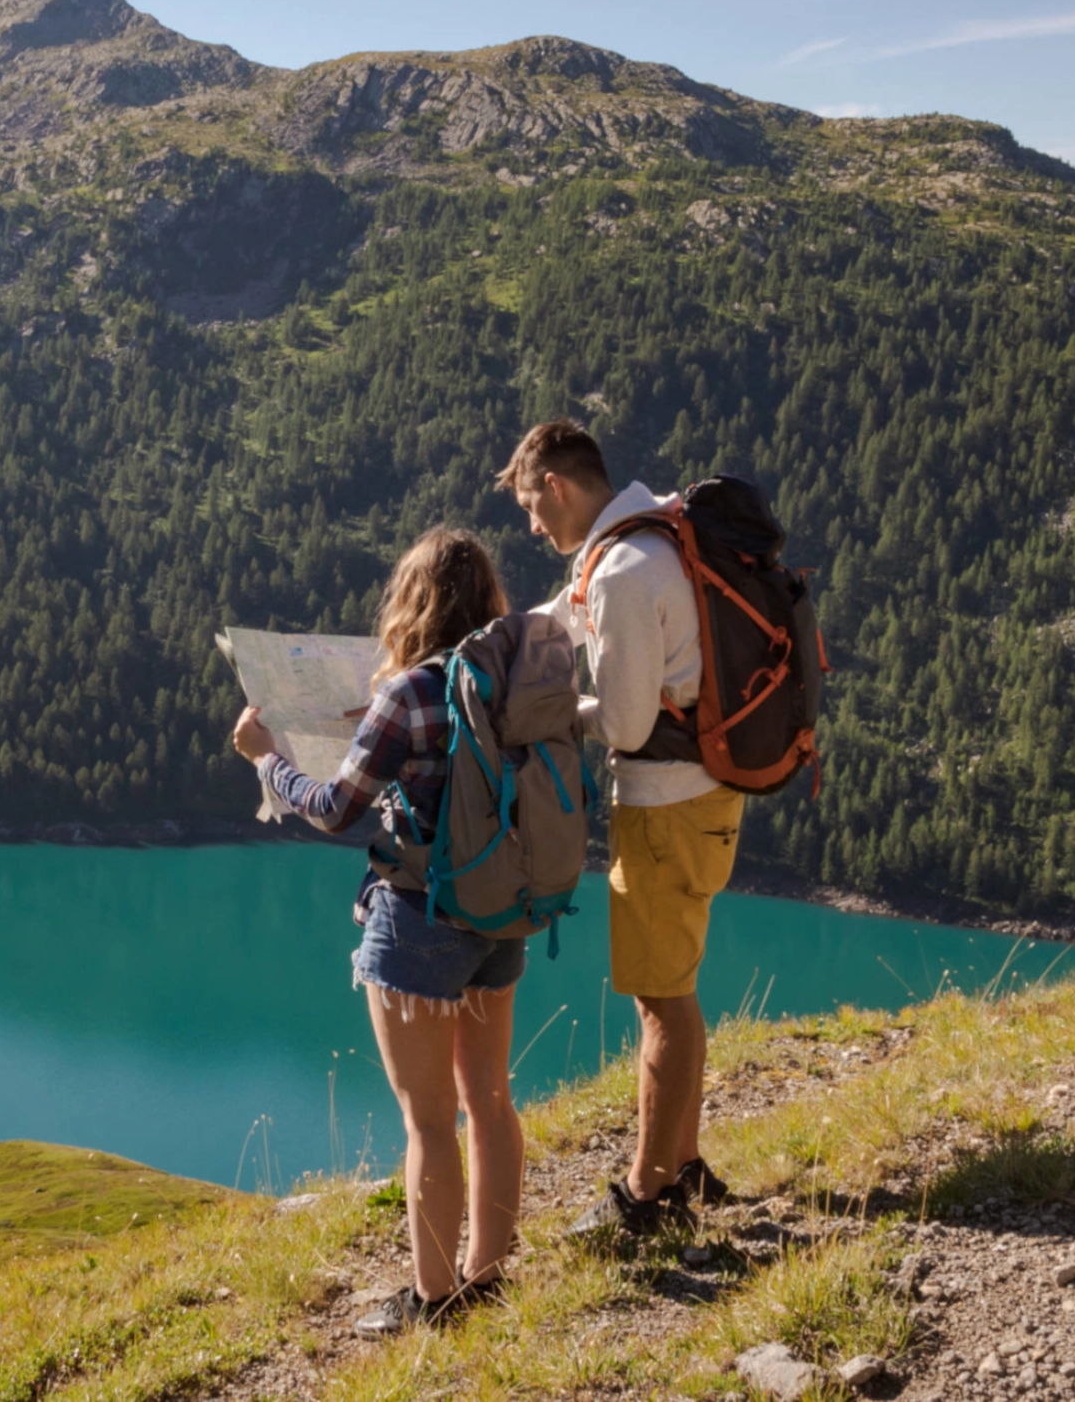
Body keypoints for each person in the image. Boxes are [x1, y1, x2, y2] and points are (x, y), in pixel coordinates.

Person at [230, 527, 523, 1337]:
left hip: (421, 915)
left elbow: (331, 808)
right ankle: (488, 1276)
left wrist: (264, 758)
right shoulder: (508, 674)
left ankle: (435, 1300)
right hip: (503, 908)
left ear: (412, 601)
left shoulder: (407, 696)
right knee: (490, 1102)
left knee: (428, 1121)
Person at [497, 419, 744, 1237]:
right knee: (671, 989)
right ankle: (685, 1159)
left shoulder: (625, 572)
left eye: (533, 505)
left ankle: (648, 1196)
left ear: (558, 486)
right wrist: (477, 653)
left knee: (660, 1001)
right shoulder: (640, 536)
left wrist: (550, 709)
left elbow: (631, 724)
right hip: (696, 797)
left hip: (667, 803)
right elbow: (555, 618)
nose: (532, 524)